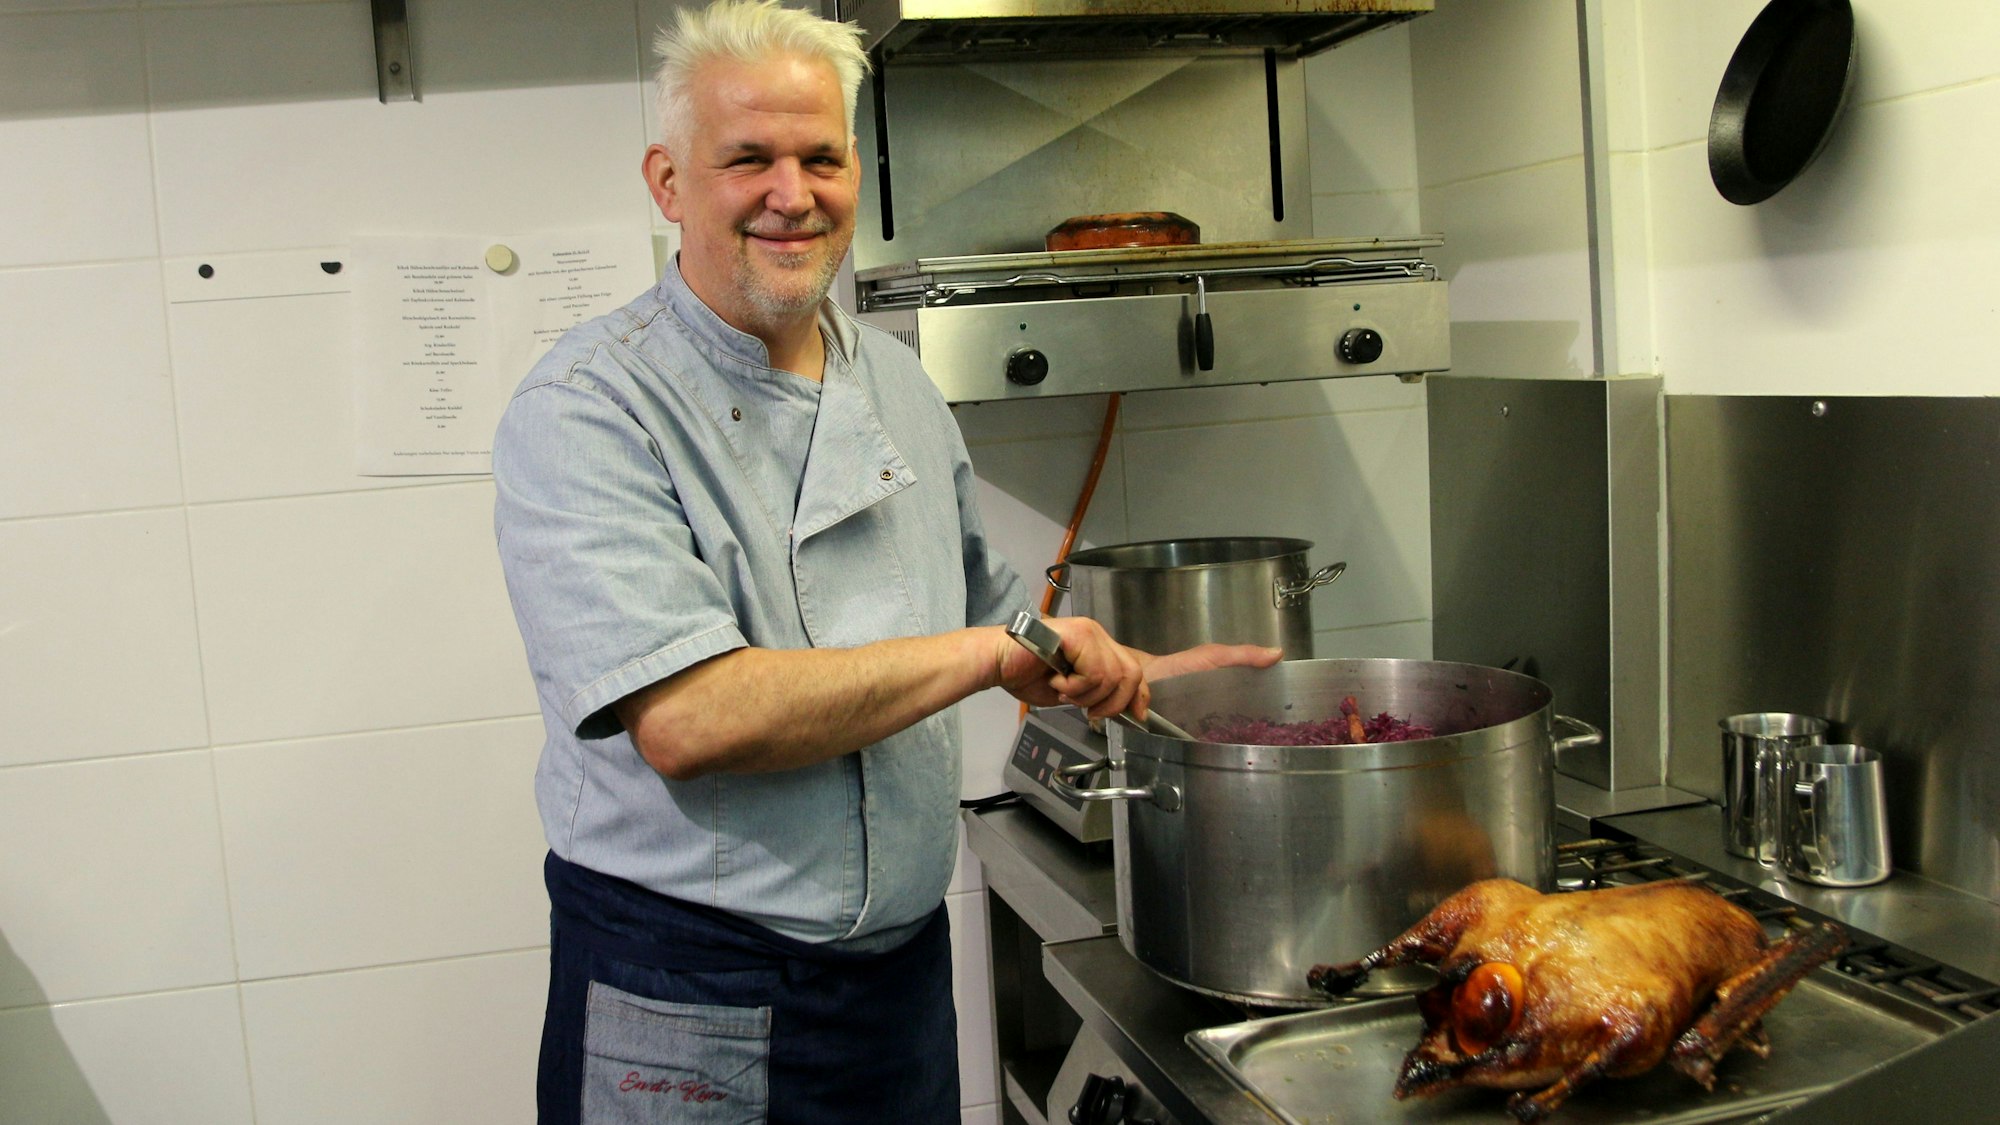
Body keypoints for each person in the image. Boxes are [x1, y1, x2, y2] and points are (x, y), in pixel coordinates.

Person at [491, 2, 1279, 1120]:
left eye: (820, 157)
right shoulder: (588, 409)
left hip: (895, 981)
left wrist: (1135, 676)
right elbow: (691, 720)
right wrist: (987, 650)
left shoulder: (899, 387)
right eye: (748, 159)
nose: (791, 193)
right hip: (691, 985)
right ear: (668, 183)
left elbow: (1003, 631)